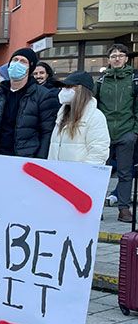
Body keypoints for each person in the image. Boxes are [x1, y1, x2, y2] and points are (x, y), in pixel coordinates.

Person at [0, 47, 60, 159]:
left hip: (26, 159)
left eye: (23, 61)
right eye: (15, 60)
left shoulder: (43, 95)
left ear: (30, 68)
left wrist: (39, 161)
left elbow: (47, 132)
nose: (17, 63)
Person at [95, 43, 138, 223]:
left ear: (126, 59)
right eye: (114, 55)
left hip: (126, 133)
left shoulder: (134, 80)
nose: (117, 58)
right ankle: (96, 208)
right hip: (103, 134)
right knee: (99, 172)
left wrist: (134, 132)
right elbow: (95, 106)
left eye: (121, 55)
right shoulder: (101, 81)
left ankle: (123, 209)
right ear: (109, 60)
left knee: (125, 173)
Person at [47, 71, 110, 165]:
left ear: (81, 90)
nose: (63, 90)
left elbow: (98, 152)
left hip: (78, 176)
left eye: (69, 87)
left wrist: (82, 175)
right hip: (58, 174)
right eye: (63, 87)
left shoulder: (95, 116)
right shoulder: (61, 115)